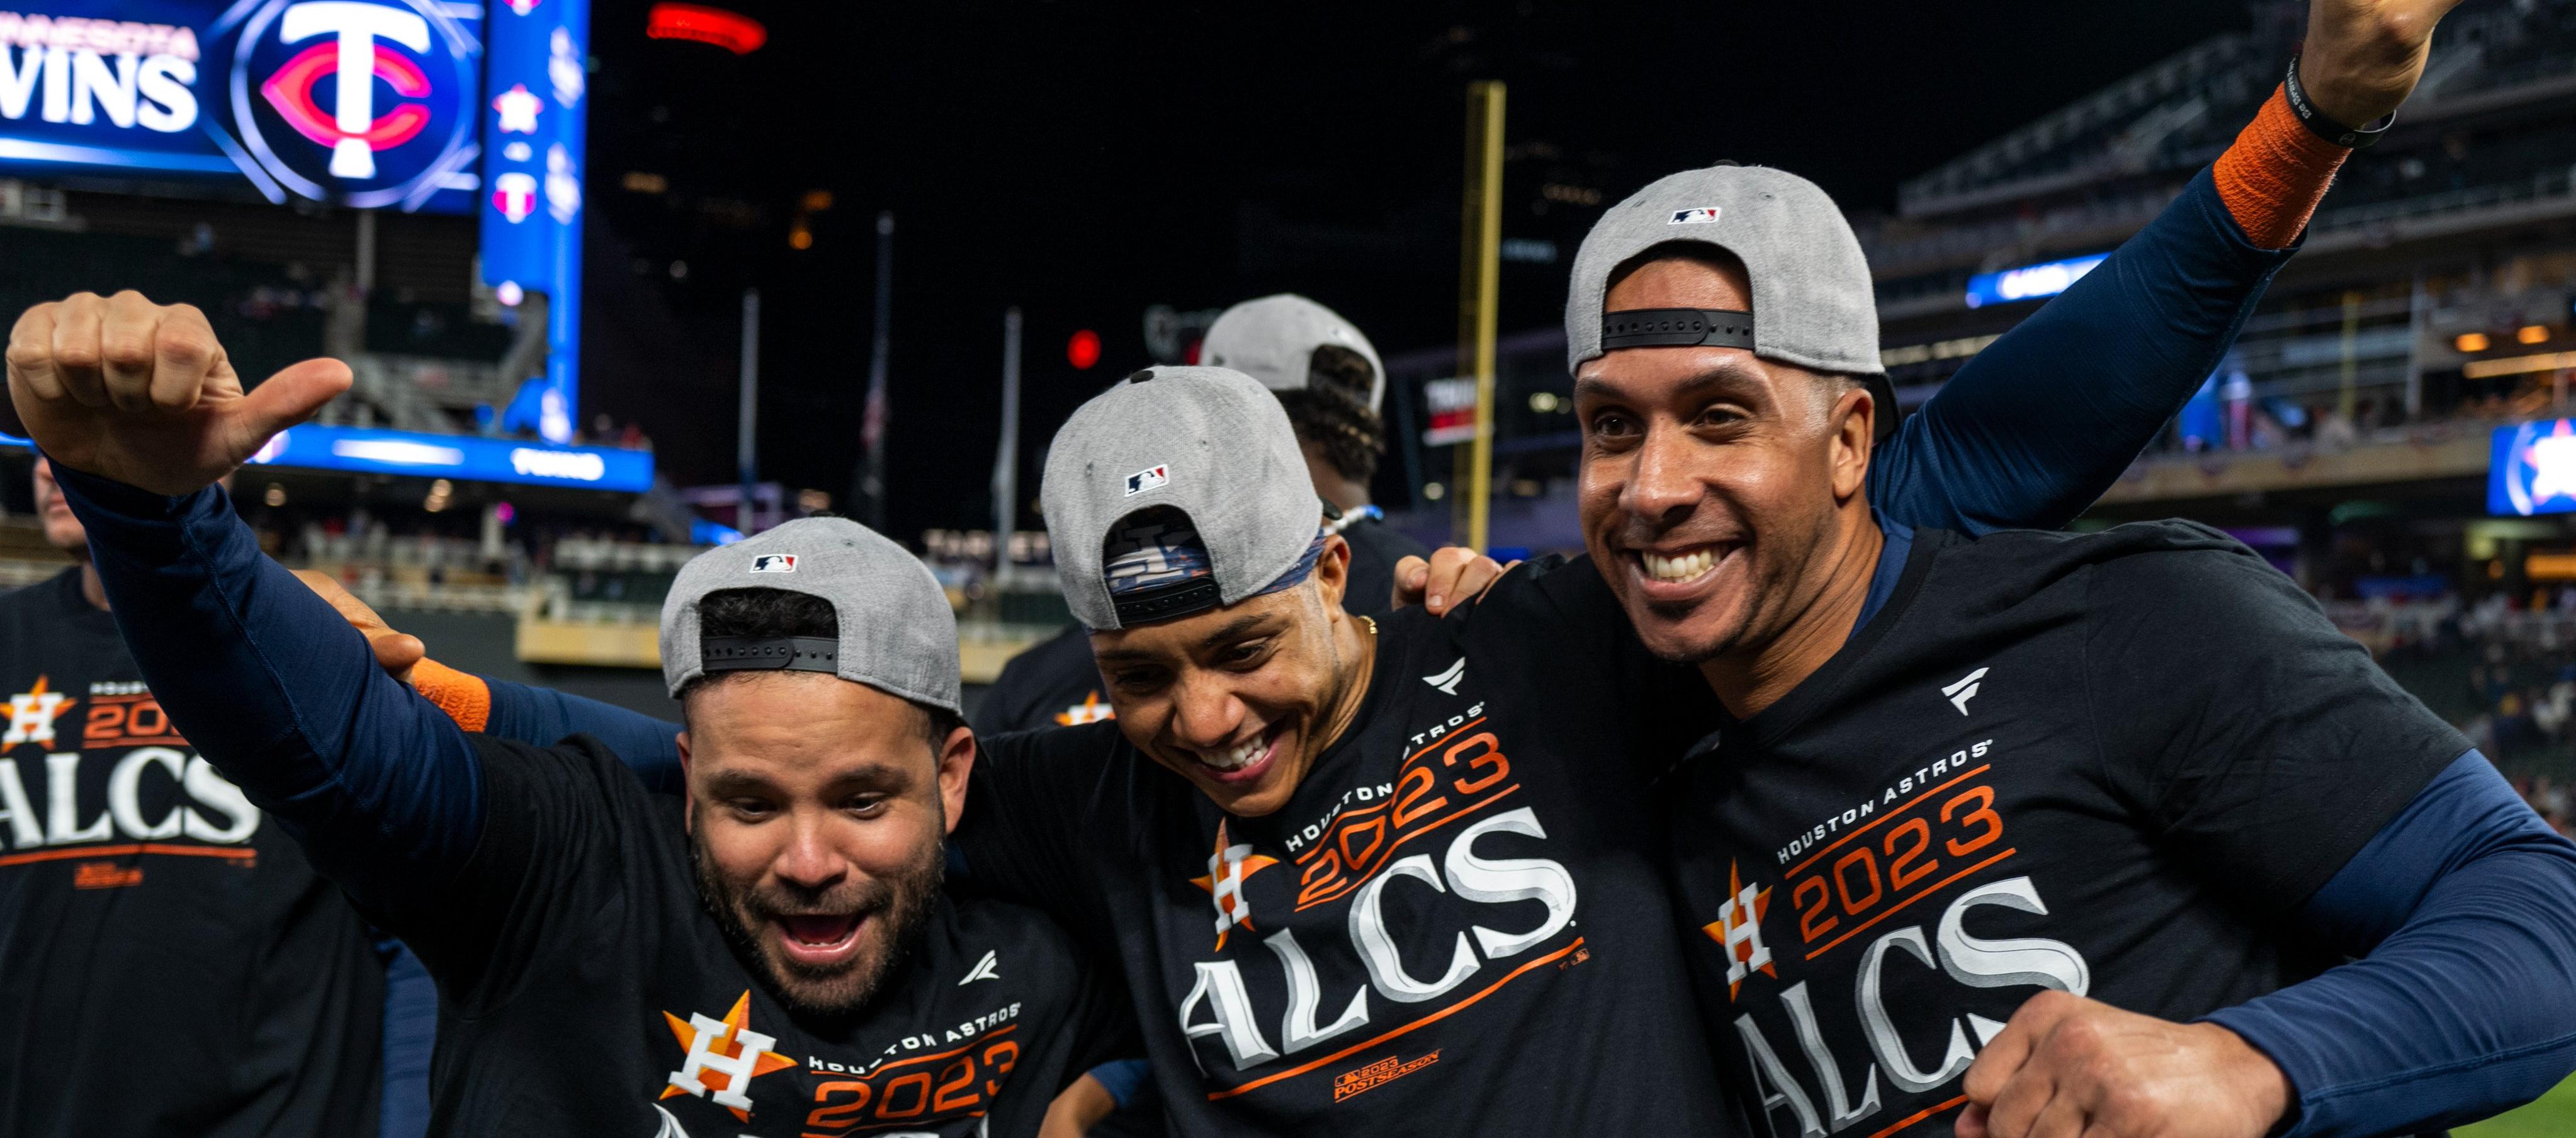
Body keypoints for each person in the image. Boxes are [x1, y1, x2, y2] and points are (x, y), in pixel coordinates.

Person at [1399, 3, 2576, 1134]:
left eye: (1719, 415)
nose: (1650, 486)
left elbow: (2543, 911)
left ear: (1853, 438)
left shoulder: (2122, 623)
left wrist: (2252, 1059)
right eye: (1612, 426)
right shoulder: (1612, 723)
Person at [8, 293, 1130, 1135]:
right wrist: (155, 521)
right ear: (684, 773)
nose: (805, 857)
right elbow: (338, 749)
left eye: (860, 797)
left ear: (953, 774)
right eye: (747, 798)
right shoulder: (563, 872)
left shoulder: (1068, 922)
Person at [0, 454, 400, 1138]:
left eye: (78, 437)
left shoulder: (318, 640)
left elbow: (413, 930)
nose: (48, 469)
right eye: (39, 445)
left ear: (211, 457)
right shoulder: (10, 639)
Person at [980, 295, 1426, 741]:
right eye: (1142, 676)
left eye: (1245, 653)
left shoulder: (1429, 598)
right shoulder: (1432, 592)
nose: (1205, 723)